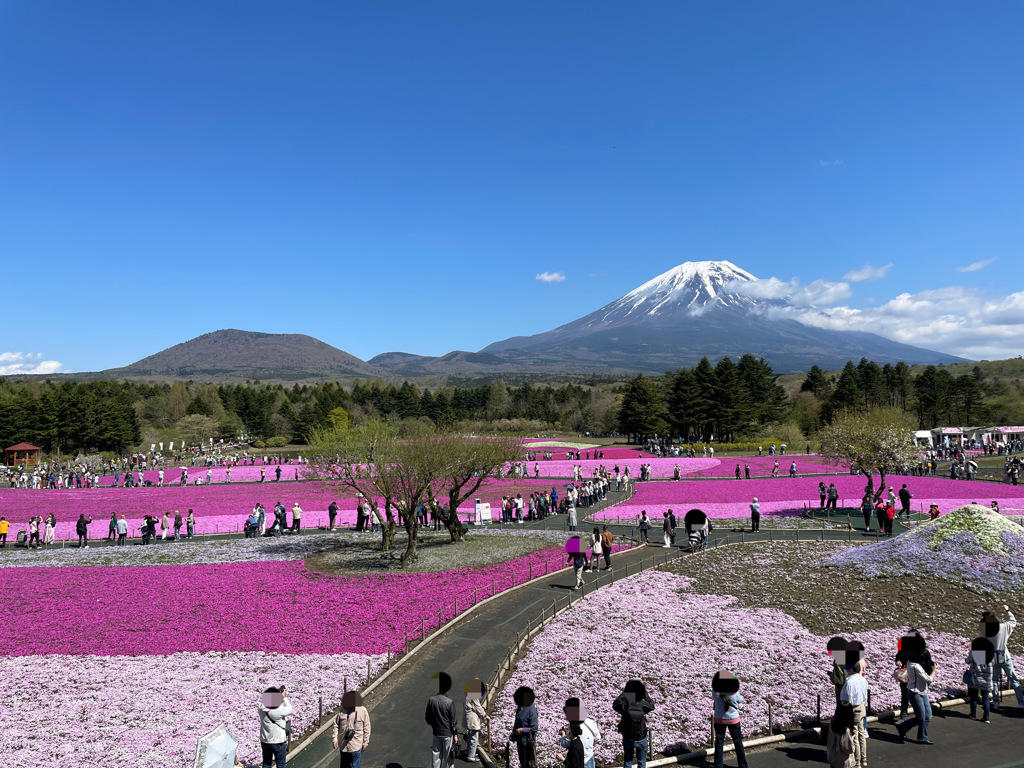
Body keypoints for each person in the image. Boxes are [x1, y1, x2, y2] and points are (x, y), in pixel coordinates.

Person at [980, 605, 1024, 708]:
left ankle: (996, 701)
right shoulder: (1004, 627)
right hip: (1004, 655)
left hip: (993, 658)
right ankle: (1021, 703)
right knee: (1013, 679)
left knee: (994, 680)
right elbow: (1013, 621)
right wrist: (1008, 610)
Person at [612, 679, 654, 768]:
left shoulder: (625, 704)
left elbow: (615, 705)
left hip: (628, 738)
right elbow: (651, 705)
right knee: (642, 762)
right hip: (641, 737)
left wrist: (625, 692)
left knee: (628, 761)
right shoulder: (643, 705)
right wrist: (644, 690)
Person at [711, 670, 748, 768]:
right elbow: (741, 700)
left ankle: (718, 766)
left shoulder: (715, 691)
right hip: (733, 719)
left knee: (719, 743)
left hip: (719, 719)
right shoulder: (733, 692)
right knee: (738, 742)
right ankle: (743, 765)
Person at [425, 672, 459, 768]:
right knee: (448, 756)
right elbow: (453, 720)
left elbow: (428, 717)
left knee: (436, 754)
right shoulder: (449, 702)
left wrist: (433, 725)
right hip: (447, 733)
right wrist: (455, 733)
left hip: (436, 732)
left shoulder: (431, 700)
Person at [839, 659, 868, 765]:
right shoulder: (863, 679)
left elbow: (848, 699)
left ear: (850, 670)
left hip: (853, 709)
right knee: (861, 733)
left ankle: (857, 761)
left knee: (853, 734)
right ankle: (864, 759)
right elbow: (865, 696)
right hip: (861, 707)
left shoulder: (850, 682)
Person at [332, 690, 370, 768]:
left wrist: (365, 742)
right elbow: (336, 725)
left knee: (355, 766)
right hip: (343, 746)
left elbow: (367, 728)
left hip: (356, 745)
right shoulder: (342, 710)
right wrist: (335, 739)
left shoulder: (363, 711)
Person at [258, 685, 292, 768]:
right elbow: (290, 709)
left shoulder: (260, 706)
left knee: (266, 763)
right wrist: (284, 697)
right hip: (278, 740)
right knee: (280, 764)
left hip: (265, 740)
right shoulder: (279, 709)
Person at [966, 637, 996, 723]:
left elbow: (967, 661)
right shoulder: (991, 655)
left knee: (973, 697)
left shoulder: (975, 654)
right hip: (987, 680)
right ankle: (986, 718)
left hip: (975, 680)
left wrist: (970, 652)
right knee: (985, 699)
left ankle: (973, 714)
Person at [511, 686, 538, 768]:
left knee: (527, 763)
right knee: (522, 762)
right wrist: (513, 734)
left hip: (527, 742)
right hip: (520, 740)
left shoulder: (531, 710)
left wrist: (522, 730)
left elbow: (534, 728)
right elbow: (517, 721)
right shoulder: (520, 707)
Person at [462, 679, 488, 763]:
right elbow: (478, 707)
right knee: (474, 738)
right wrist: (485, 715)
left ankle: (469, 751)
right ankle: (470, 756)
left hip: (469, 718)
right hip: (472, 719)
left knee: (471, 736)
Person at [826, 703, 858, 768]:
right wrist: (853, 739)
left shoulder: (833, 722)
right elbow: (847, 749)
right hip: (843, 761)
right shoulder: (846, 729)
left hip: (832, 756)